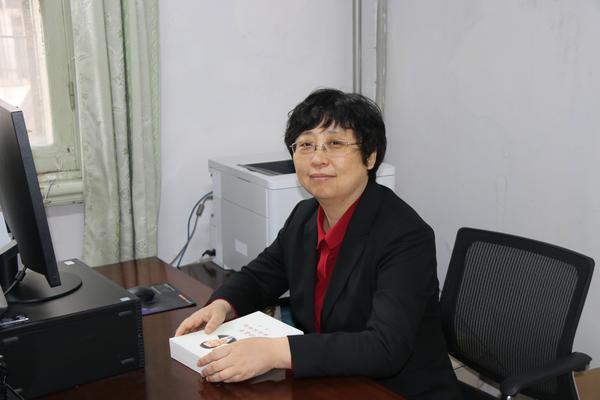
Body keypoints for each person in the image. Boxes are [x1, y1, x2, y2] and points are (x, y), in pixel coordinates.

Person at [175, 88, 462, 400]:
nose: (318, 158)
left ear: (370, 156)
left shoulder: (405, 235)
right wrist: (223, 304)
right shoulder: (305, 216)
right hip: (334, 382)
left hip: (397, 391)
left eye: (335, 144)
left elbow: (384, 347)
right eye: (306, 145)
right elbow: (262, 275)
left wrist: (276, 352)